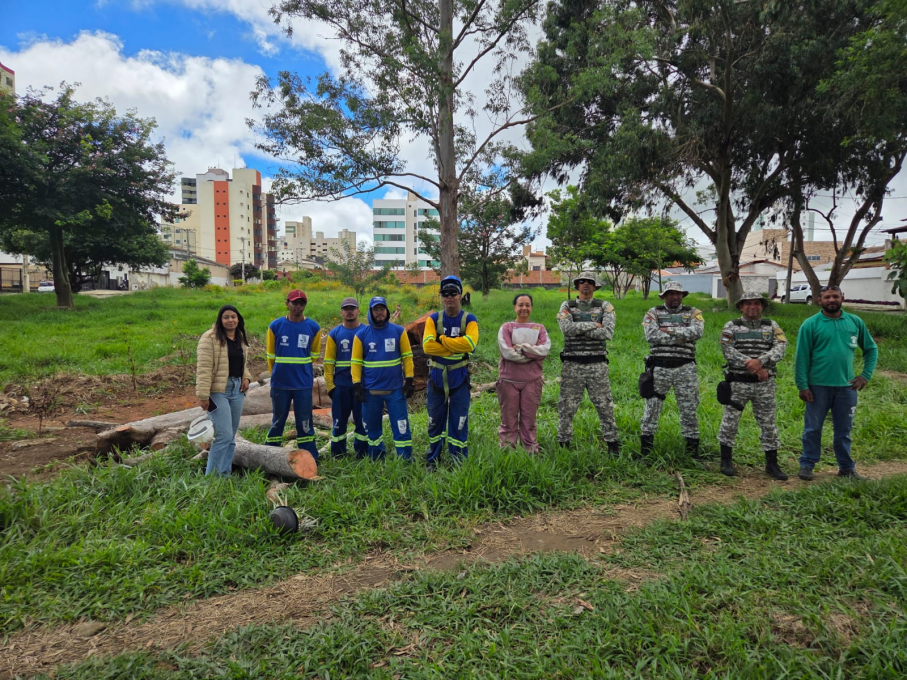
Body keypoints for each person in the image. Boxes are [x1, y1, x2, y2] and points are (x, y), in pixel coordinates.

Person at [795, 285, 878, 481]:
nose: (831, 300)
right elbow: (801, 358)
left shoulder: (854, 322)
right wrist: (802, 385)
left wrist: (865, 375)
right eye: (826, 297)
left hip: (846, 387)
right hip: (817, 386)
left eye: (835, 296)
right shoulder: (810, 324)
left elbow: (871, 349)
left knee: (844, 430)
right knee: (812, 428)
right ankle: (807, 464)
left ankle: (846, 468)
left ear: (842, 297)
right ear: (819, 300)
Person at [716, 292, 789, 479]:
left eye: (756, 303)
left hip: (764, 384)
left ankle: (772, 464)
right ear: (741, 306)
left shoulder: (772, 326)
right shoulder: (731, 326)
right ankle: (726, 461)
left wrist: (762, 361)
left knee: (768, 422)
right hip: (738, 382)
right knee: (730, 421)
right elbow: (728, 350)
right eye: (747, 304)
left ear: (762, 306)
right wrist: (753, 365)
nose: (752, 307)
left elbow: (781, 347)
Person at [556, 272, 620, 456]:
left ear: (595, 286)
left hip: (597, 365)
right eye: (582, 281)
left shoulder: (605, 306)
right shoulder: (567, 305)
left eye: (590, 282)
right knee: (566, 407)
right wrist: (594, 325)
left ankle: (613, 445)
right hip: (572, 364)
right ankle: (563, 445)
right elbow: (567, 330)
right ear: (577, 285)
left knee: (604, 406)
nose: (585, 284)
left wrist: (580, 328)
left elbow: (607, 333)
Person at [640, 281, 705, 457]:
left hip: (685, 368)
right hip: (659, 367)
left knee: (689, 408)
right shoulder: (653, 313)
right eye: (670, 294)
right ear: (664, 296)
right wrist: (681, 334)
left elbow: (697, 333)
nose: (674, 297)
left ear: (682, 295)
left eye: (677, 293)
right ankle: (646, 451)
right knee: (652, 408)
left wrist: (666, 330)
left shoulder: (693, 313)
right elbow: (651, 335)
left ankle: (693, 452)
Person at [422, 275, 479, 469]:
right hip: (436, 379)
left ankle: (458, 459)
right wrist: (455, 346)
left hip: (459, 379)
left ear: (460, 295)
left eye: (453, 293)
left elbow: (470, 344)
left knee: (459, 420)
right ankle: (433, 460)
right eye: (445, 293)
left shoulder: (469, 319)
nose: (449, 297)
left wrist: (443, 340)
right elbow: (427, 347)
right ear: (441, 296)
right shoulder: (433, 319)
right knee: (434, 421)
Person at [351, 297, 415, 460]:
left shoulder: (398, 331)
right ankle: (376, 456)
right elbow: (356, 362)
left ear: (387, 311)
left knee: (401, 427)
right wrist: (357, 385)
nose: (379, 312)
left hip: (395, 391)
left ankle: (405, 458)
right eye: (375, 309)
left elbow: (407, 357)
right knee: (372, 429)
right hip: (370, 391)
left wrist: (409, 380)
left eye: (382, 309)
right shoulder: (361, 335)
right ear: (370, 312)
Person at [265, 289, 322, 460]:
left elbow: (313, 355)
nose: (298, 306)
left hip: (303, 384)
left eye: (301, 303)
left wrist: (300, 372)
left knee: (305, 421)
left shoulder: (313, 327)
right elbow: (270, 356)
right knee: (278, 420)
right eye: (294, 303)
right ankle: (269, 454)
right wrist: (277, 375)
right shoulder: (275, 326)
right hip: (280, 384)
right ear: (287, 304)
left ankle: (309, 455)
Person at [196, 305, 252, 476]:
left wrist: (247, 377)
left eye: (233, 317)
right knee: (224, 435)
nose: (230, 320)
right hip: (217, 392)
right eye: (226, 317)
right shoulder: (209, 338)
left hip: (237, 390)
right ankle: (212, 479)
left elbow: (242, 362)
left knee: (231, 436)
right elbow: (204, 369)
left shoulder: (240, 336)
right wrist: (203, 395)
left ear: (238, 319)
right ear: (220, 320)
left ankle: (224, 474)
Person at [498, 293, 551, 453]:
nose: (524, 308)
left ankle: (530, 451)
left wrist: (520, 348)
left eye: (527, 305)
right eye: (520, 305)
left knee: (529, 420)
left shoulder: (539, 328)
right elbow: (507, 353)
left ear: (531, 308)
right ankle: (507, 451)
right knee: (508, 420)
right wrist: (532, 353)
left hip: (532, 381)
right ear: (515, 307)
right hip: (509, 381)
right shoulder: (506, 328)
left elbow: (544, 350)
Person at [323, 297, 368, 458]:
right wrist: (330, 386)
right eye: (346, 308)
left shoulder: (366, 332)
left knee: (362, 422)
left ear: (358, 311)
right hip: (341, 386)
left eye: (352, 308)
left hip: (362, 386)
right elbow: (328, 362)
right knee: (339, 422)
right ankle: (338, 453)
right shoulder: (335, 333)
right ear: (341, 312)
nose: (349, 311)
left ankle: (362, 452)